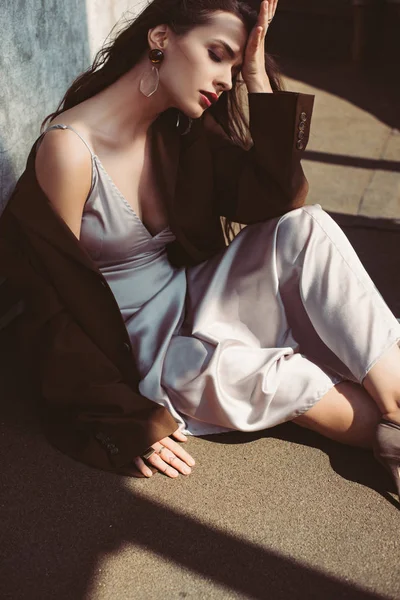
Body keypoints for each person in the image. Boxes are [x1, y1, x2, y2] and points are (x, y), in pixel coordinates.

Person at [0, 0, 399, 499]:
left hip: (196, 296)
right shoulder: (68, 150)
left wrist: (256, 74)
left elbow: (278, 198)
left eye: (235, 66)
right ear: (161, 37)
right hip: (149, 355)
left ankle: (397, 411)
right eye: (217, 55)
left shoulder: (178, 125)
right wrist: (121, 417)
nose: (226, 80)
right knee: (287, 376)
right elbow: (49, 302)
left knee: (309, 227)